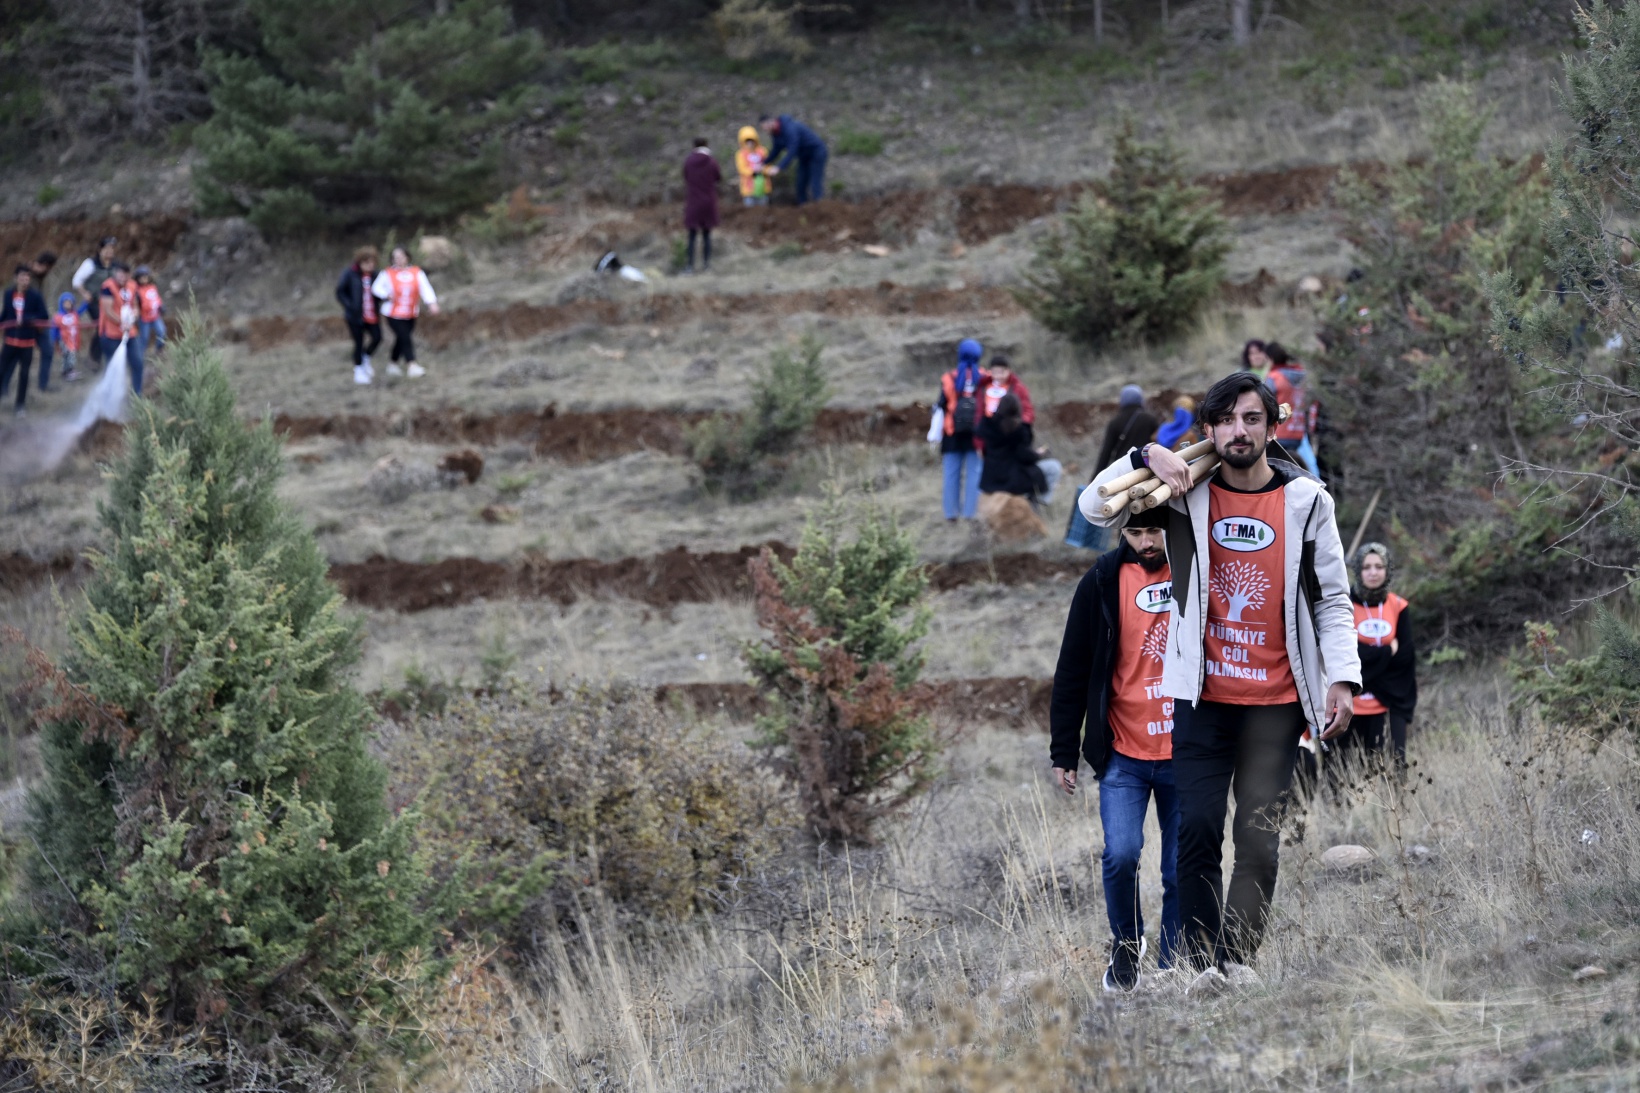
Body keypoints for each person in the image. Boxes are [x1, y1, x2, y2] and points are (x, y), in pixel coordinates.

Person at [1080, 371, 1360, 991]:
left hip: (1278, 702)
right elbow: (1095, 506)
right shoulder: (1184, 496)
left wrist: (1342, 677)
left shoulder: (1308, 501)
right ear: (1209, 429)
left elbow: (1334, 598)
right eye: (1227, 420)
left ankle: (1239, 958)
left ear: (1270, 426)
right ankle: (1203, 964)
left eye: (1252, 419)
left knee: (1257, 837)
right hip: (1201, 697)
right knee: (1198, 831)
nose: (1240, 431)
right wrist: (1143, 454)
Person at [1050, 507, 1182, 991]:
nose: (1147, 541)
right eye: (1137, 532)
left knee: (1178, 865)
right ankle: (1127, 947)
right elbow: (1072, 669)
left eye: (1155, 531)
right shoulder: (1101, 580)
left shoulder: (1194, 566)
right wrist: (1064, 750)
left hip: (1185, 752)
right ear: (1122, 531)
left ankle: (1172, 961)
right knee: (1121, 854)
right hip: (1124, 752)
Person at [1344, 542, 1416, 773]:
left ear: (1388, 570)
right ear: (1358, 570)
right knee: (1341, 775)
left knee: (1392, 770)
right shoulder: (1343, 604)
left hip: (1388, 702)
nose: (1373, 572)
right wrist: (1387, 652)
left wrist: (1366, 665)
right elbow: (1345, 653)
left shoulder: (1398, 606)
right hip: (1348, 706)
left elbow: (1405, 659)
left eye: (1379, 566)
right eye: (1366, 567)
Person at [933, 338, 987, 521]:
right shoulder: (985, 377)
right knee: (974, 474)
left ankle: (951, 514)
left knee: (951, 474)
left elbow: (941, 406)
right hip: (977, 434)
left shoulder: (949, 378)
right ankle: (970, 514)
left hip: (952, 434)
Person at [978, 393, 1062, 503]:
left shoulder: (988, 426)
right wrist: (1038, 454)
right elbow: (1024, 456)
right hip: (1015, 480)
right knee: (1054, 467)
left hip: (990, 480)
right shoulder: (1019, 430)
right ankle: (1040, 501)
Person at [372, 246, 438, 378]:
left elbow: (425, 288)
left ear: (407, 257)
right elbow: (376, 288)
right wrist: (386, 295)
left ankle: (393, 364)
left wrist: (432, 303)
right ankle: (412, 365)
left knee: (402, 338)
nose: (398, 260)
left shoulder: (416, 272)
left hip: (411, 311)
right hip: (392, 312)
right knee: (405, 337)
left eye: (401, 256)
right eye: (395, 257)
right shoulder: (387, 273)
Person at [1263, 342, 1321, 478]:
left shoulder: (1274, 378)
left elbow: (1264, 404)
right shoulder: (1302, 376)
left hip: (1278, 432)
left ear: (1270, 358)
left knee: (1277, 472)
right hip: (1299, 433)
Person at [0, 265, 49, 415]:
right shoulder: (9, 294)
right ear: (16, 278)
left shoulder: (35, 296)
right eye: (22, 277)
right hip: (10, 341)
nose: (25, 280)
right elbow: (6, 314)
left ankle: (20, 405)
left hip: (27, 342)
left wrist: (26, 319)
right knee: (1, 371)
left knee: (24, 374)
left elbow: (43, 316)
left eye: (27, 277)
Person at [335, 245, 382, 385]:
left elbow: (381, 291)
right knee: (359, 342)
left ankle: (366, 358)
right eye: (367, 262)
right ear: (360, 262)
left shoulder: (376, 275)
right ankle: (359, 370)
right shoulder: (350, 273)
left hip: (372, 314)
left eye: (372, 262)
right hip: (355, 316)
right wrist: (350, 305)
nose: (370, 265)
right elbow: (340, 292)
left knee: (377, 338)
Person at [760, 113, 829, 206]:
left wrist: (779, 167)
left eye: (765, 128)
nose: (766, 131)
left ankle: (819, 206)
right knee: (800, 182)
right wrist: (763, 163)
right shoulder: (776, 134)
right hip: (803, 156)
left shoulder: (789, 128)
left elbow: (792, 150)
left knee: (815, 181)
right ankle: (803, 206)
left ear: (771, 123)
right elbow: (775, 151)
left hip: (816, 152)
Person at [72, 236, 117, 370]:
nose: (109, 251)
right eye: (106, 248)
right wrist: (85, 293)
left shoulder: (115, 266)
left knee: (109, 328)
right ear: (100, 250)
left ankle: (105, 356)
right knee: (101, 327)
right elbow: (76, 281)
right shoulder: (91, 264)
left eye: (112, 249)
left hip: (110, 302)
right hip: (94, 303)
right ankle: (93, 357)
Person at [98, 262, 142, 393]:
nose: (122, 277)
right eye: (120, 273)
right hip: (111, 334)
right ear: (116, 273)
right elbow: (108, 310)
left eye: (125, 274)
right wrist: (121, 322)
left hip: (130, 333)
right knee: (112, 366)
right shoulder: (107, 287)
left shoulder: (133, 285)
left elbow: (136, 305)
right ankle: (108, 395)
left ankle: (137, 395)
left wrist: (134, 315)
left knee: (138, 363)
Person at [682, 137, 721, 274]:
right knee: (706, 235)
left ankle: (690, 266)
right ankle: (706, 265)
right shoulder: (711, 161)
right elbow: (718, 177)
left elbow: (686, 177)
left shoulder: (688, 161)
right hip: (708, 201)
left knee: (692, 236)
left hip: (693, 201)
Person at [30, 252, 57, 390]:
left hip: (41, 323)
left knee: (48, 351)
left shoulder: (43, 279)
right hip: (27, 324)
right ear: (45, 265)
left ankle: (43, 384)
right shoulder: (26, 277)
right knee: (15, 355)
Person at [982, 354, 1035, 423]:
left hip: (1007, 428)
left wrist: (1018, 424)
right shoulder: (983, 386)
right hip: (986, 428)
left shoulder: (1018, 388)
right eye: (995, 372)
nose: (998, 376)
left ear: (1008, 370)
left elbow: (1028, 411)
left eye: (1001, 372)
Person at [50, 292, 83, 383]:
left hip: (73, 339)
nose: (68, 305)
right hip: (63, 340)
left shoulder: (75, 314)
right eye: (66, 303)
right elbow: (54, 329)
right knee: (68, 355)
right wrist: (54, 340)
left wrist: (87, 303)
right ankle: (67, 371)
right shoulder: (58, 316)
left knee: (71, 354)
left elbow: (81, 311)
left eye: (70, 302)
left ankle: (69, 371)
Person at [134, 266, 166, 360]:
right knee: (144, 338)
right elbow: (136, 304)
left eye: (145, 277)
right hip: (144, 318)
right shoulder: (137, 291)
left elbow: (157, 299)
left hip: (155, 316)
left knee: (162, 332)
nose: (144, 279)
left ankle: (159, 350)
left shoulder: (152, 287)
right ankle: (140, 355)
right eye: (142, 277)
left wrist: (161, 307)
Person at [735, 125, 770, 207]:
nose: (750, 143)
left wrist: (763, 169)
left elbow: (768, 166)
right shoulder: (741, 154)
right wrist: (753, 171)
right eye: (747, 141)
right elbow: (742, 169)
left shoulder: (762, 151)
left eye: (751, 140)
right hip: (748, 189)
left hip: (762, 187)